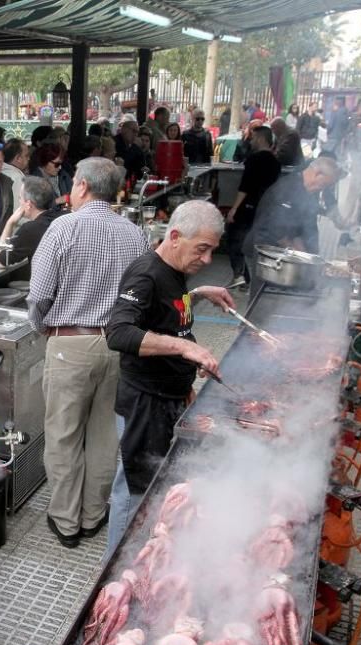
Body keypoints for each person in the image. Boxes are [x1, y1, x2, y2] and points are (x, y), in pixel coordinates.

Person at [27, 158, 150, 548]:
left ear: (80, 185)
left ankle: (66, 521)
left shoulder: (62, 228)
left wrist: (43, 328)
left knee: (63, 436)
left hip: (70, 345)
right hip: (119, 346)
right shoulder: (136, 235)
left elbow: (39, 295)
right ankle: (95, 515)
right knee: (103, 437)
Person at [104, 200, 234, 555]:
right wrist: (184, 349)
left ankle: (144, 559)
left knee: (153, 488)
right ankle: (116, 573)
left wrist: (198, 295)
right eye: (202, 250)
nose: (207, 261)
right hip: (144, 403)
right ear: (175, 236)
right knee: (135, 493)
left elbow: (163, 311)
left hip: (167, 399)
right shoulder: (145, 273)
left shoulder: (174, 273)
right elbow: (118, 333)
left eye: (212, 251)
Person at [243, 157, 342, 292]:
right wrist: (302, 256)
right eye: (323, 185)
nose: (321, 189)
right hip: (265, 254)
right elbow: (276, 230)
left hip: (282, 256)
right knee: (262, 298)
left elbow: (298, 230)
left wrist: (309, 255)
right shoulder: (287, 188)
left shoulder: (307, 191)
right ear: (317, 173)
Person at [224, 126, 280, 289]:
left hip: (248, 205)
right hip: (264, 207)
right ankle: (251, 277)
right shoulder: (275, 162)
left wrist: (234, 209)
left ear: (262, 139)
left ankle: (239, 275)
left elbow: (245, 186)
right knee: (253, 241)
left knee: (235, 237)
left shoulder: (254, 159)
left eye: (254, 138)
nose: (251, 141)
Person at [0, 176, 63, 280]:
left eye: (20, 198)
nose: (19, 201)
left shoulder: (30, 229)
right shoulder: (63, 217)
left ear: (29, 204)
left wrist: (10, 223)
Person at [29, 143, 72, 207]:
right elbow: (36, 208)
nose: (60, 167)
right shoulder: (34, 181)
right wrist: (57, 201)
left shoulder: (63, 175)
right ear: (45, 161)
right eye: (56, 164)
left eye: (61, 164)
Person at [1, 138, 29, 212]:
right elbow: (19, 210)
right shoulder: (17, 178)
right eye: (26, 156)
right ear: (18, 158)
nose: (29, 159)